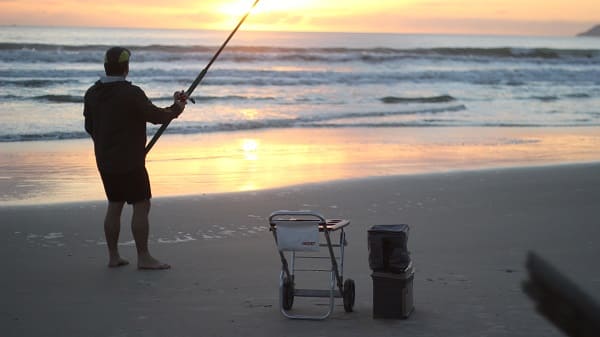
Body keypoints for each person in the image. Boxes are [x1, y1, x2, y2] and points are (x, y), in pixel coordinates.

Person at [83, 46, 187, 270]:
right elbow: (156, 116)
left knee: (115, 204)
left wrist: (106, 146)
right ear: (126, 68)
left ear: (106, 67)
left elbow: (89, 127)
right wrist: (177, 107)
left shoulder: (92, 93)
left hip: (105, 161)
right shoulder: (131, 93)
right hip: (130, 162)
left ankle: (113, 257)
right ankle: (144, 257)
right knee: (141, 205)